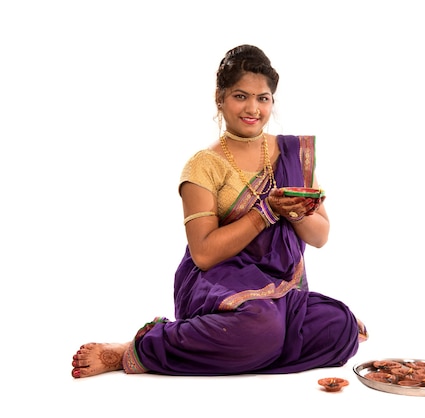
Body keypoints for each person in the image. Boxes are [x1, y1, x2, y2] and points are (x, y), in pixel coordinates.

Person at [71, 44, 367, 378]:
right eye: (241, 96)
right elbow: (204, 255)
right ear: (220, 98)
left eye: (263, 98)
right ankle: (139, 347)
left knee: (340, 327)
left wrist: (295, 212)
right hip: (218, 287)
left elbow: (321, 237)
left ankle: (240, 347)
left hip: (281, 290)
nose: (253, 108)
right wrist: (266, 213)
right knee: (261, 328)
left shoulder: (292, 154)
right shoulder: (203, 165)